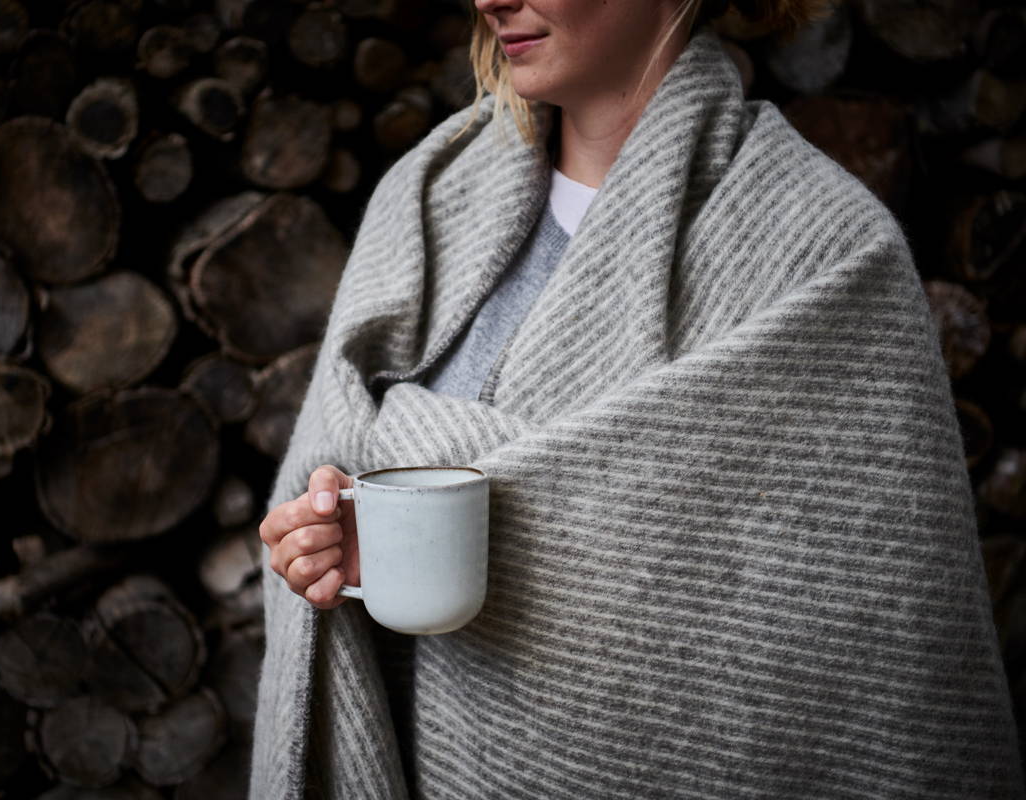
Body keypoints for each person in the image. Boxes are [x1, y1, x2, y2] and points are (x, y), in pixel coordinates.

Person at [252, 1, 1024, 798]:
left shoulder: (828, 256)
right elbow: (328, 480)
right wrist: (323, 545)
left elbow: (878, 677)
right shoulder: (427, 196)